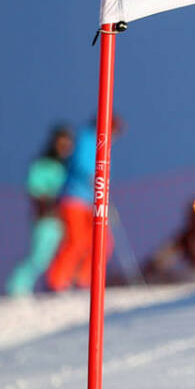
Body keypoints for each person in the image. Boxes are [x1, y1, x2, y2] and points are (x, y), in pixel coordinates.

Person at [48, 115, 122, 291]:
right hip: (74, 198)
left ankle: (84, 279)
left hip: (92, 200)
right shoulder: (87, 138)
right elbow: (82, 164)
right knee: (76, 241)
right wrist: (93, 178)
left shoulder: (101, 142)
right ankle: (58, 281)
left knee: (102, 242)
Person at [6, 124, 74, 297]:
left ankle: (59, 283)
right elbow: (34, 189)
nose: (64, 147)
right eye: (61, 143)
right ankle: (17, 287)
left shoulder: (65, 166)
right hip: (44, 217)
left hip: (59, 218)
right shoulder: (43, 164)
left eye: (68, 143)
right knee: (39, 256)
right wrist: (47, 201)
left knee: (54, 254)